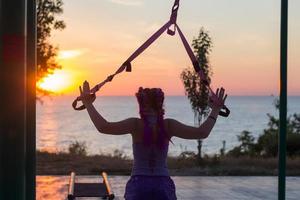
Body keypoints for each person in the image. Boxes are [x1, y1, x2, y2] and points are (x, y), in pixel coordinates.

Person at [79, 80, 227, 200]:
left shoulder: (136, 124)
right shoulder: (169, 125)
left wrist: (88, 103)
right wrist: (215, 110)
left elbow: (103, 127)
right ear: (160, 104)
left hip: (138, 185)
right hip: (162, 185)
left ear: (141, 104)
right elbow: (202, 132)